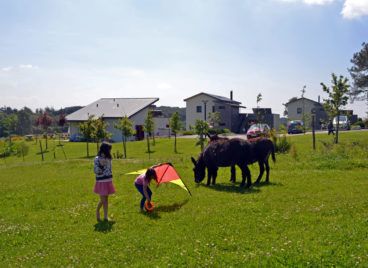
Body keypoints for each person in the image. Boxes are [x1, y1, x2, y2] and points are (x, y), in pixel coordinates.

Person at [94, 142, 115, 221]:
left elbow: (110, 168)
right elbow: (96, 170)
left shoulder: (109, 158)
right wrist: (101, 164)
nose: (110, 151)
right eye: (109, 149)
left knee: (105, 199)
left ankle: (105, 216)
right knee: (103, 200)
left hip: (108, 180)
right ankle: (98, 211)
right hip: (101, 181)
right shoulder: (97, 159)